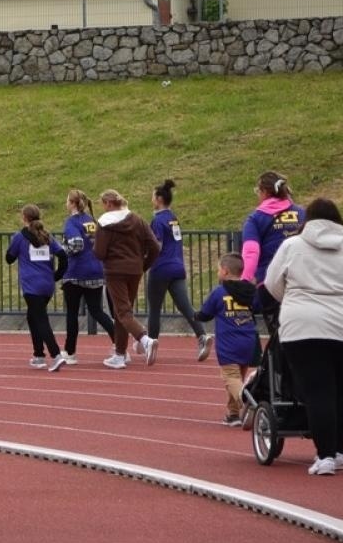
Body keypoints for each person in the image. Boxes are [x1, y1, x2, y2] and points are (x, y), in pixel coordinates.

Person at [265, 198, 343, 477]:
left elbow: (272, 284)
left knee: (318, 391)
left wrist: (294, 300)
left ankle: (325, 455)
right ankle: (340, 450)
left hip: (304, 328)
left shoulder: (291, 246)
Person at [94, 190, 161, 369]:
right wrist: (143, 265)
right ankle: (120, 354)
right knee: (122, 312)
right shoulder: (137, 219)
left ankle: (145, 340)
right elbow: (155, 246)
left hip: (115, 271)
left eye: (103, 203)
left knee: (123, 312)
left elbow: (99, 253)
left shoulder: (104, 222)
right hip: (135, 270)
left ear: (108, 203)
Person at [145, 180, 211, 362]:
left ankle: (151, 345)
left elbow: (157, 245)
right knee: (185, 306)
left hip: (161, 268)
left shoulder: (157, 221)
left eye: (152, 196)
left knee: (155, 309)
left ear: (158, 199)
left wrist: (145, 258)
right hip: (178, 266)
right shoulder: (173, 218)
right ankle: (202, 336)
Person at [196, 252, 260, 426]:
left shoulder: (220, 292)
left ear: (224, 271)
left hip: (229, 342)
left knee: (230, 377)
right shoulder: (249, 291)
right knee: (237, 376)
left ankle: (249, 404)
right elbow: (258, 307)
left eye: (218, 270)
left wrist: (195, 315)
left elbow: (205, 314)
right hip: (248, 340)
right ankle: (233, 414)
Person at [57, 189, 117, 367]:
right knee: (97, 311)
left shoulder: (71, 222)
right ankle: (118, 343)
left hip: (76, 272)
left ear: (73, 204)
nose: (66, 203)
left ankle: (70, 351)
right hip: (96, 270)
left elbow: (76, 244)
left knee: (72, 314)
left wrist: (62, 250)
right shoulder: (92, 221)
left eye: (68, 200)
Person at [5, 205, 68, 371]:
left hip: (31, 286)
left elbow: (9, 258)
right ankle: (39, 355)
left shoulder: (20, 237)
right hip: (47, 285)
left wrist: (15, 247)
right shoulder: (47, 236)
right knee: (33, 317)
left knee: (40, 320)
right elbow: (63, 256)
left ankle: (56, 355)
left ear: (24, 218)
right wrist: (56, 276)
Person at [241, 173, 306, 314]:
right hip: (302, 280)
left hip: (269, 283)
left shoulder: (255, 218)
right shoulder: (302, 213)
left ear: (264, 192)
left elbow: (251, 251)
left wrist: (245, 281)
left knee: (277, 330)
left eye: (258, 191)